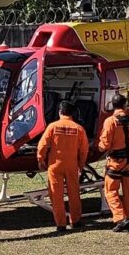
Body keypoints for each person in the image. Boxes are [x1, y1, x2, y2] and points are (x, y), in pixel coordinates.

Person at [98, 93, 129, 232]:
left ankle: (120, 218)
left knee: (111, 191)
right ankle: (128, 217)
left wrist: (99, 147)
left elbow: (105, 144)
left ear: (112, 105)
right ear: (125, 105)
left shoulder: (110, 121)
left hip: (115, 162)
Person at [37, 100, 90, 233]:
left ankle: (61, 224)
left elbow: (42, 145)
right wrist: (81, 165)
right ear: (72, 113)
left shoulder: (53, 126)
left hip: (55, 165)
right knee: (74, 194)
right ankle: (76, 221)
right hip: (72, 165)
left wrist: (40, 160)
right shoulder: (79, 128)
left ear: (60, 112)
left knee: (56, 195)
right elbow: (84, 150)